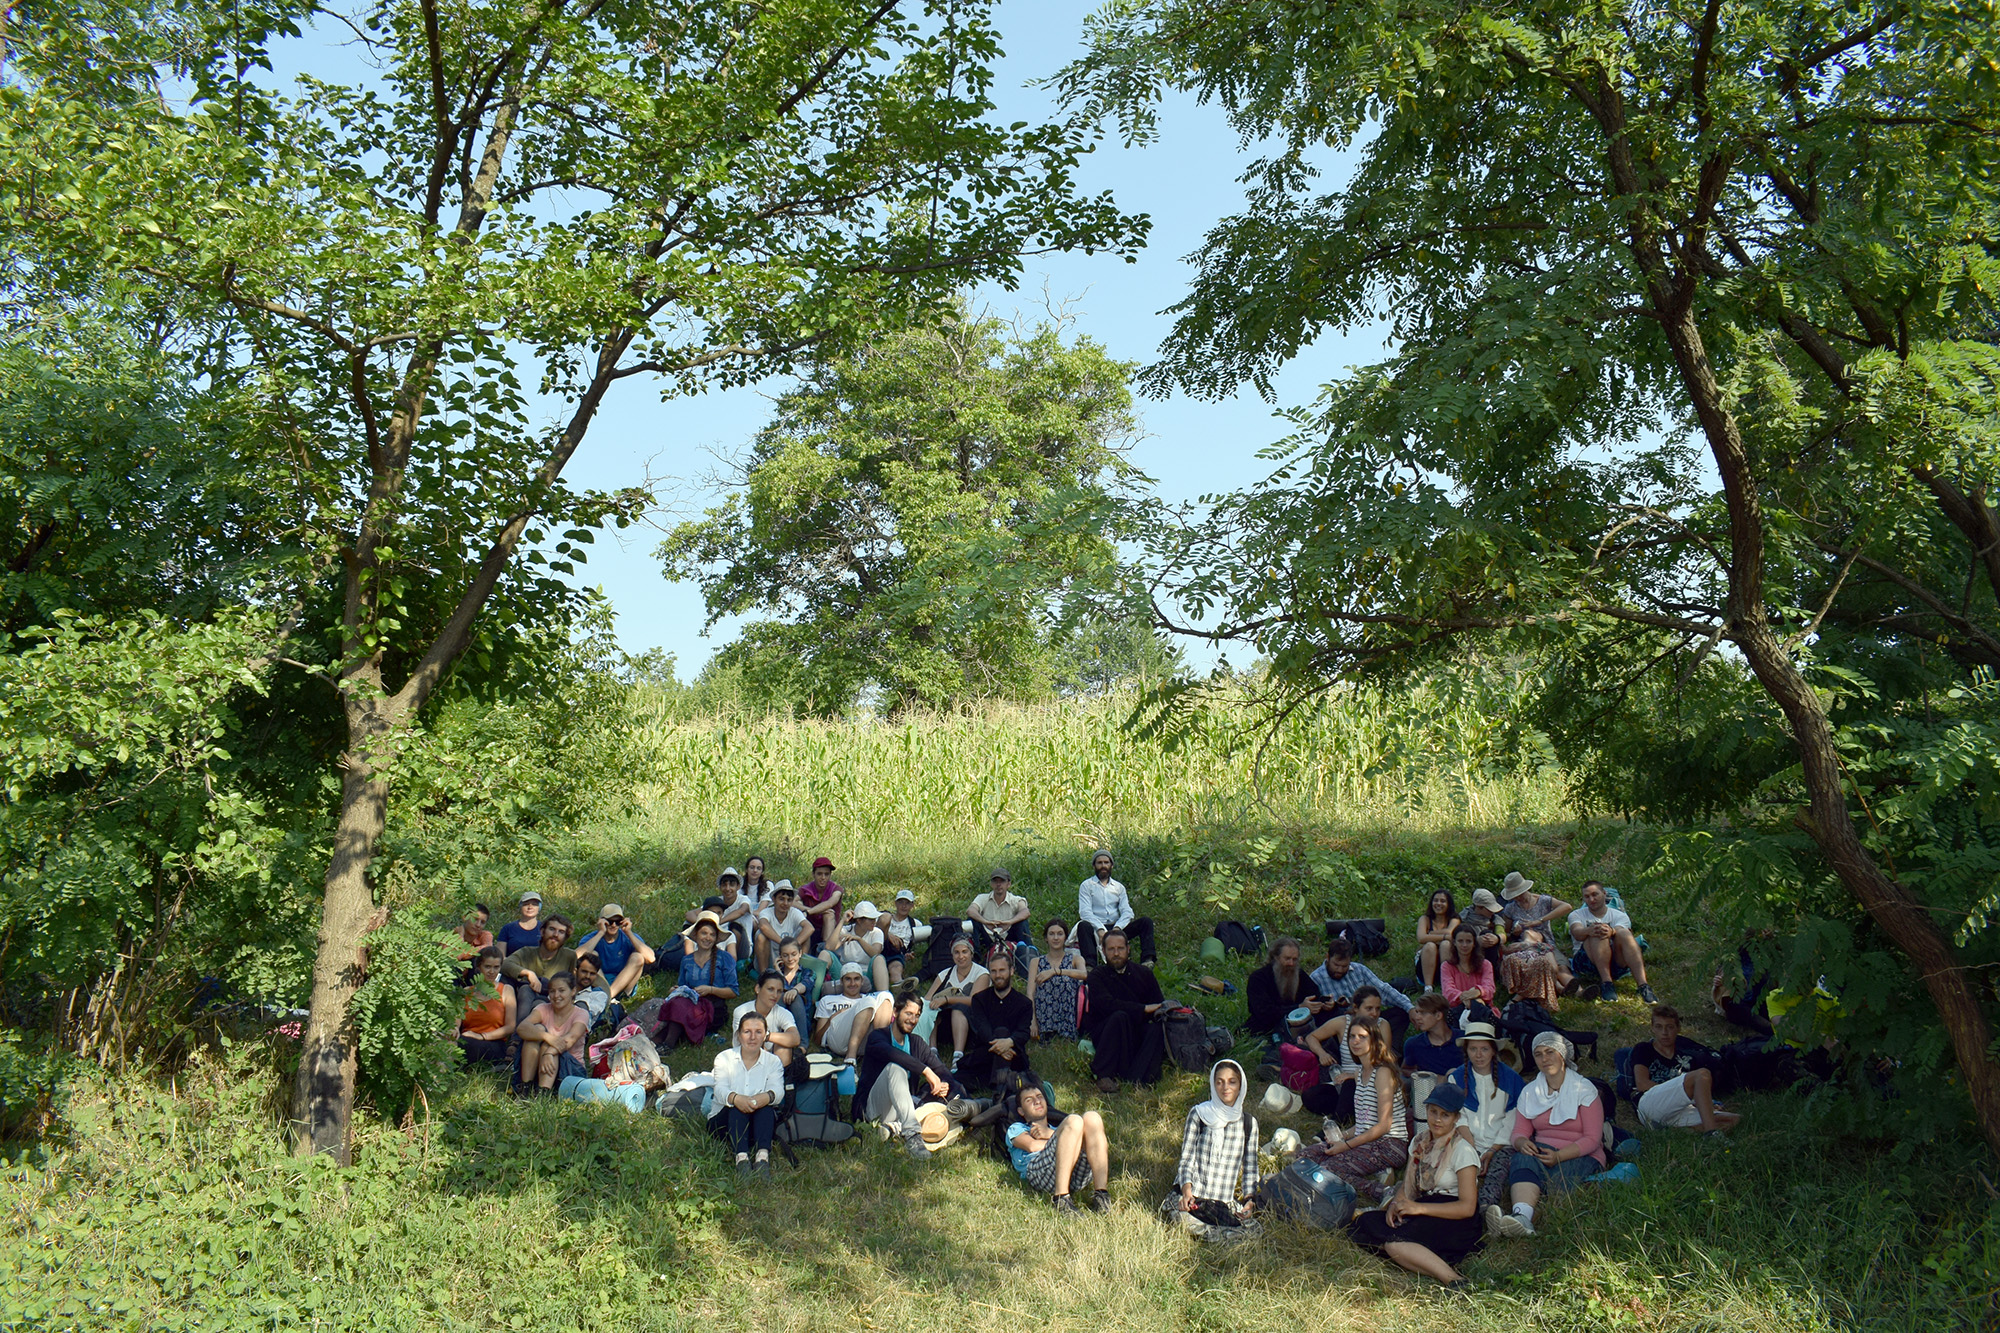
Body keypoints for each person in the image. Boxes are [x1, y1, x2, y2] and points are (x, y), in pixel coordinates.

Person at [1348, 1084, 1484, 1286]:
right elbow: (1409, 1186)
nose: (1437, 1119)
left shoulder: (1463, 1151)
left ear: (1456, 1118)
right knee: (1364, 1223)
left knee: (1395, 1244)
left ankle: (1453, 1278)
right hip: (1424, 1207)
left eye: (1445, 1115)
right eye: (1433, 1112)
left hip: (1453, 1216)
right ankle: (1423, 1255)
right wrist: (1396, 1205)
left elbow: (1467, 1207)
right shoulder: (1419, 1142)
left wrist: (1419, 1208)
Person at [1485, 1031, 1604, 1238]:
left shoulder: (1585, 1090)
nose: (1544, 1058)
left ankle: (1526, 1216)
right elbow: (1520, 1132)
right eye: (1538, 1054)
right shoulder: (1531, 1092)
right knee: (1522, 1159)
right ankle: (1521, 1217)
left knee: (1558, 1182)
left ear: (1562, 1055)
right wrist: (1522, 1143)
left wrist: (1559, 1156)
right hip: (1544, 1150)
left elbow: (1593, 1139)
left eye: (1550, 1052)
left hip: (1580, 1152)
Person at [1304, 1019, 1409, 1202]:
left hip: (1390, 1143)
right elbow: (1363, 1123)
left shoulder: (1383, 1072)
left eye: (1362, 1037)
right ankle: (1376, 1172)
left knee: (1330, 1168)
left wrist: (1344, 1146)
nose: (1355, 1041)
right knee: (1306, 1155)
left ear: (1374, 1040)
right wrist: (1341, 1137)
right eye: (1352, 1036)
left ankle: (1384, 1191)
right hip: (1367, 1140)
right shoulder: (1359, 1073)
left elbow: (1384, 1125)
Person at [858, 991, 956, 1161]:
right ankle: (912, 1135)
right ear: (895, 1013)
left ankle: (894, 1128)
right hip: (874, 1108)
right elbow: (893, 1054)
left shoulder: (917, 1043)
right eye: (908, 1014)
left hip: (905, 1108)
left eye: (917, 1015)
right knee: (895, 1069)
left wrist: (944, 1083)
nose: (913, 1020)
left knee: (935, 1099)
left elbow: (942, 1070)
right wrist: (926, 1071)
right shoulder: (877, 1037)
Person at [1171, 1060, 1260, 1234]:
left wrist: (1249, 1200)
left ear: (1241, 1085)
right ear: (1213, 1084)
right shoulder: (1199, 1114)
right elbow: (1187, 1158)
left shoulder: (1249, 1123)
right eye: (1219, 1082)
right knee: (1189, 1224)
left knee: (1253, 1233)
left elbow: (1250, 1167)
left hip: (1222, 1202)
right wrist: (1187, 1191)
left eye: (1232, 1081)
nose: (1225, 1087)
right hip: (1195, 1197)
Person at [1447, 1018, 1527, 1208]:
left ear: (1493, 1051)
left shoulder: (1511, 1079)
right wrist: (1472, 1148)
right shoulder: (1457, 1077)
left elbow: (1512, 1117)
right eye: (1473, 1049)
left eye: (1484, 1049)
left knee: (1497, 1172)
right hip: (1467, 1140)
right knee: (1455, 1169)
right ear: (1466, 1051)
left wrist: (1492, 1150)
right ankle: (1455, 1200)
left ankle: (1485, 1207)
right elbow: (1458, 1117)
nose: (1479, 1055)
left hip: (1500, 1143)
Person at [1081, 928, 1168, 1092]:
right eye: (1111, 949)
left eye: (1120, 949)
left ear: (1128, 949)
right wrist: (1142, 1009)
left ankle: (1140, 1078)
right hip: (1109, 1031)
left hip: (1137, 1031)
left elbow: (1158, 1004)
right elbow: (1106, 1005)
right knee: (1120, 1017)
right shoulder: (1097, 975)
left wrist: (1151, 1011)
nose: (1116, 954)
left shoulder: (1144, 973)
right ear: (1104, 951)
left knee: (1156, 1028)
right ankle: (1104, 1075)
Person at [1631, 1005, 1737, 1135]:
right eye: (1659, 1027)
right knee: (1702, 1074)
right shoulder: (1644, 1049)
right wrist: (1681, 1094)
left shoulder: (1687, 1057)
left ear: (1678, 1029)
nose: (1664, 1032)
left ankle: (1676, 1130)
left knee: (1734, 1119)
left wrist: (1708, 1103)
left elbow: (1696, 1090)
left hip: (1680, 1108)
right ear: (1652, 1028)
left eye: (1669, 1027)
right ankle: (1711, 1133)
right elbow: (1642, 1084)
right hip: (1651, 1104)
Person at [1009, 1082, 1112, 1213]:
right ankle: (1061, 1199)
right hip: (1039, 1174)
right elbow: (1032, 1146)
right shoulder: (1017, 1128)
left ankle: (1101, 1195)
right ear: (1021, 1110)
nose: (1037, 1101)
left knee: (1093, 1117)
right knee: (1074, 1120)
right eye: (1029, 1100)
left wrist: (1049, 1134)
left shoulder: (1060, 1130)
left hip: (1073, 1176)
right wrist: (1062, 1141)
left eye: (1040, 1096)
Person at [1300, 987, 1394, 1124]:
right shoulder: (1342, 1023)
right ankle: (1350, 1110)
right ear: (1356, 1008)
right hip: (1342, 1081)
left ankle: (1337, 1122)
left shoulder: (1382, 1025)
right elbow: (1311, 1037)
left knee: (1350, 1085)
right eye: (1369, 1009)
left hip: (1370, 1081)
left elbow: (1384, 1060)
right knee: (1310, 1096)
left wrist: (1354, 1075)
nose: (1374, 1013)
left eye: (1378, 1009)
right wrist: (1322, 1053)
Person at [712, 1009, 786, 1177]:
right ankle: (742, 1158)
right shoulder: (724, 1058)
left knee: (766, 1107)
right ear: (739, 1035)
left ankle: (762, 1158)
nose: (752, 1037)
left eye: (758, 1032)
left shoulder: (773, 1062)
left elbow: (778, 1091)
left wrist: (765, 1097)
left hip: (758, 1122)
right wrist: (736, 1099)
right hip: (725, 1123)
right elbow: (719, 1090)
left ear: (765, 1035)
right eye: (747, 1032)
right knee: (736, 1107)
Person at [1311, 937, 1413, 1047]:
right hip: (1344, 1027)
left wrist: (1410, 1008)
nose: (1340, 970)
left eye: (1344, 966)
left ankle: (1391, 1052)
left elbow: (1383, 990)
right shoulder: (1316, 978)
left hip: (1370, 1019)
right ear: (1328, 957)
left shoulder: (1360, 970)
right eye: (1336, 965)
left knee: (1401, 1012)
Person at [657, 912, 738, 1049]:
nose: (708, 938)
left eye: (712, 934)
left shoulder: (725, 958)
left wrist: (710, 990)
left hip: (713, 1008)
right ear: (696, 935)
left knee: (680, 1007)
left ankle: (668, 1044)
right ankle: (658, 1041)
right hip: (689, 1005)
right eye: (704, 933)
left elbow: (733, 991)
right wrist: (675, 990)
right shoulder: (686, 960)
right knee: (675, 1004)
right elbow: (683, 987)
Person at [1568, 880, 1658, 1003]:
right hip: (1586, 962)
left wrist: (1612, 932)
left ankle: (1643, 986)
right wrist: (1590, 930)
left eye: (1595, 894)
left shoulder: (1619, 916)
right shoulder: (1576, 915)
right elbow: (1576, 932)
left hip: (1616, 962)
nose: (1591, 899)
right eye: (1587, 896)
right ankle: (1607, 983)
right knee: (1597, 931)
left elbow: (1625, 937)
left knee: (1624, 933)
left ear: (1604, 894)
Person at [959, 950, 1034, 1091]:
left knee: (1003, 1032)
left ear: (1011, 971)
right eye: (993, 971)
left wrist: (1009, 1042)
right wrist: (1001, 1047)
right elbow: (982, 1028)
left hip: (1014, 1056)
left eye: (1002, 970)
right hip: (986, 1053)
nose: (998, 975)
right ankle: (1001, 1089)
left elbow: (1023, 1032)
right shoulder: (979, 999)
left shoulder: (1024, 1003)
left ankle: (999, 1089)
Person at [1497, 872, 1575, 1006]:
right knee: (1549, 966)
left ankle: (1577, 989)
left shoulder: (1543, 901)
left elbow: (1567, 907)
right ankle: (1561, 989)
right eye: (1515, 896)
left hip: (1547, 942)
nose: (1518, 898)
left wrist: (1540, 920)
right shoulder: (1510, 908)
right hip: (1525, 946)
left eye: (1520, 894)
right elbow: (1508, 934)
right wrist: (1515, 932)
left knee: (1561, 966)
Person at [1076, 850, 1156, 966]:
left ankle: (1147, 960)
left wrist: (1118, 928)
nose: (1103, 866)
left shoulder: (1118, 887)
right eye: (1099, 863)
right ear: (1094, 865)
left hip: (1117, 927)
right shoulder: (1087, 886)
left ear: (1111, 865)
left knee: (1145, 922)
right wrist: (1100, 929)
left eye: (1106, 862)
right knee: (1083, 926)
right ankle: (1090, 965)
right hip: (1096, 927)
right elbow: (1085, 912)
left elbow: (1127, 911)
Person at [516, 972, 591, 1094]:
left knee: (547, 1046)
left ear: (573, 991)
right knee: (537, 1032)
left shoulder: (581, 1013)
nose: (556, 995)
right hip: (541, 1065)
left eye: (561, 990)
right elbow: (522, 1028)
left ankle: (542, 1094)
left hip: (570, 1069)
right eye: (552, 991)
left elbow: (570, 1038)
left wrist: (549, 1052)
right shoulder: (543, 1008)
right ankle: (525, 1088)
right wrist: (546, 1036)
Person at [921, 935, 989, 1068]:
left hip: (971, 1024)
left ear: (971, 953)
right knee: (930, 1009)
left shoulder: (981, 973)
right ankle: (932, 1051)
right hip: (946, 1024)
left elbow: (975, 1001)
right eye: (956, 952)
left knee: (958, 1009)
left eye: (964, 952)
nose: (960, 956)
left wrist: (947, 999)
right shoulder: (944, 974)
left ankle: (957, 1056)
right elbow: (927, 999)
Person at [1245, 936, 1325, 1042]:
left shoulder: (1299, 974)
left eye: (1295, 959)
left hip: (1301, 1025)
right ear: (1276, 957)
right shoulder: (1258, 978)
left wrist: (1324, 1003)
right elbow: (1263, 1011)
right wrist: (1299, 1007)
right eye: (1287, 959)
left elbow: (1314, 994)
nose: (1291, 964)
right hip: (1268, 1027)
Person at [814, 962, 894, 1066]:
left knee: (885, 996)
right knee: (868, 1001)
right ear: (841, 981)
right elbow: (817, 1040)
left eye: (856, 979)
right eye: (848, 979)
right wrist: (831, 1019)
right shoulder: (827, 1000)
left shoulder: (867, 998)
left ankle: (880, 1048)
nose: (852, 984)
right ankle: (850, 1058)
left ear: (862, 982)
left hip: (864, 1041)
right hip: (838, 1039)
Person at [576, 903, 655, 1000]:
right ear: (601, 921)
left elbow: (651, 958)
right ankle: (606, 995)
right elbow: (575, 957)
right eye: (609, 921)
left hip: (624, 984)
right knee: (591, 955)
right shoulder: (591, 938)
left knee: (638, 957)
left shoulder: (628, 937)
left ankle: (608, 997)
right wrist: (601, 933)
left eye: (617, 922)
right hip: (598, 983)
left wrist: (628, 932)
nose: (613, 925)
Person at [501, 915, 576, 1017]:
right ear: (542, 931)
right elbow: (505, 964)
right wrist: (528, 973)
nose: (555, 935)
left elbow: (571, 983)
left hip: (550, 1001)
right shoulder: (527, 952)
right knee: (525, 990)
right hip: (521, 999)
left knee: (538, 1005)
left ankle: (520, 1030)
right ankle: (518, 1031)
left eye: (561, 932)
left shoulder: (569, 956)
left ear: (565, 937)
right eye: (552, 929)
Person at [1027, 918, 1087, 1040]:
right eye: (1051, 934)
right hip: (1044, 1019)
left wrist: (1056, 972)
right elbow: (1030, 993)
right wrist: (1032, 1021)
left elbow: (1084, 974)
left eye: (1060, 934)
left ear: (1065, 938)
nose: (1056, 938)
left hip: (1069, 1019)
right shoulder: (1036, 962)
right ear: (1046, 938)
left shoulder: (1076, 959)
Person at [457, 946, 517, 1066]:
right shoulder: (466, 991)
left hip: (493, 1043)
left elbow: (510, 1027)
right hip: (466, 1038)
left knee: (463, 1044)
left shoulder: (506, 990)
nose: (492, 972)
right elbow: (455, 1022)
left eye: (496, 967)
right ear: (479, 968)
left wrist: (481, 1036)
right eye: (487, 967)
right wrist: (453, 1030)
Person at [733, 970, 804, 1069]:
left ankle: (781, 1081)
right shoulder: (741, 1011)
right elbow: (744, 1042)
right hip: (745, 1057)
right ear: (758, 989)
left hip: (773, 1059)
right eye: (770, 989)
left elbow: (795, 1038)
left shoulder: (782, 1013)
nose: (775, 995)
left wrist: (767, 1036)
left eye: (779, 991)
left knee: (783, 1048)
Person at [820, 900, 889, 994]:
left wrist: (859, 940)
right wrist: (842, 921)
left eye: (875, 919)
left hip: (866, 974)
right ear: (859, 920)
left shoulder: (876, 932)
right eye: (871, 919)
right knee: (824, 954)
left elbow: (875, 953)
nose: (874, 922)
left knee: (879, 959)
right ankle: (813, 996)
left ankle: (884, 997)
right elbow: (828, 947)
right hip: (845, 972)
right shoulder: (846, 931)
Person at [968, 869, 1031, 965]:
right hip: (987, 937)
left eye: (1002, 881)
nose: (998, 884)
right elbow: (970, 910)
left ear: (1008, 884)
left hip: (1008, 936)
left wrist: (1010, 922)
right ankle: (975, 957)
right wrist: (985, 922)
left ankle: (1028, 954)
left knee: (1022, 922)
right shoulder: (982, 898)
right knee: (971, 922)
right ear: (991, 884)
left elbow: (1025, 912)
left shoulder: (1016, 900)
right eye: (995, 881)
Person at [753, 882, 814, 972]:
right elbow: (763, 925)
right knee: (761, 935)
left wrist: (793, 946)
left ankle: (797, 971)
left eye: (789, 900)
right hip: (770, 956)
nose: (785, 903)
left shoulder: (794, 912)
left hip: (789, 957)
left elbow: (810, 928)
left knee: (805, 934)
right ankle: (764, 974)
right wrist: (783, 944)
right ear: (774, 899)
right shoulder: (766, 912)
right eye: (781, 899)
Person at [1402, 995, 1461, 1080]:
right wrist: (1426, 1078)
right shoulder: (1413, 1044)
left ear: (1438, 1015)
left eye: (1423, 1013)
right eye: (1417, 1012)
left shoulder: (1464, 1039)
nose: (1417, 1017)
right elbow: (1406, 1069)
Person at [1441, 923, 1497, 1013]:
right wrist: (1466, 997)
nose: (1464, 945)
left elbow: (1489, 988)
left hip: (1483, 1009)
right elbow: (1447, 992)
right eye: (1460, 941)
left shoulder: (1485, 964)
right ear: (1454, 942)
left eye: (1468, 941)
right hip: (1457, 1010)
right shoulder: (1447, 966)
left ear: (1474, 943)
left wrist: (1479, 992)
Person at [1414, 890, 1459, 995]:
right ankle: (1428, 988)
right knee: (1430, 946)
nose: (1438, 904)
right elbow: (1420, 938)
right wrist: (1444, 936)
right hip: (1425, 967)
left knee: (1445, 944)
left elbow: (1450, 932)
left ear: (1448, 904)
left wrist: (1429, 935)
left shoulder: (1454, 919)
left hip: (1447, 960)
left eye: (1443, 901)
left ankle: (1447, 984)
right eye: (1435, 900)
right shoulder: (1424, 919)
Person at [881, 889, 926, 986]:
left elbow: (916, 947)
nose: (904, 906)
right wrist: (888, 935)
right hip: (880, 946)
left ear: (912, 905)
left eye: (907, 903)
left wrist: (909, 954)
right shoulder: (885, 918)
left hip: (897, 952)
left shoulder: (916, 924)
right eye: (900, 902)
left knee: (896, 968)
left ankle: (899, 985)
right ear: (895, 903)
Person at [799, 856, 845, 949]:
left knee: (829, 914)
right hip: (810, 928)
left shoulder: (836, 889)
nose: (823, 878)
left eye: (826, 874)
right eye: (819, 874)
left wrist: (809, 912)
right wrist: (808, 909)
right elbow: (792, 902)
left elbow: (830, 903)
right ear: (813, 874)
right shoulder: (805, 889)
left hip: (830, 929)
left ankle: (825, 950)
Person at [774, 939, 815, 1035]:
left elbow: (806, 984)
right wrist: (778, 971)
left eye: (793, 954)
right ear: (780, 957)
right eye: (785, 955)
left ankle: (802, 1043)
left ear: (800, 953)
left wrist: (795, 990)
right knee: (780, 994)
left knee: (795, 997)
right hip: (778, 1018)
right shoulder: (775, 974)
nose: (790, 959)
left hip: (800, 1021)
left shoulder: (807, 972)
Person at [569, 951, 617, 1029]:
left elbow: (588, 1015)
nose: (587, 976)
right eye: (584, 972)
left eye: (592, 974)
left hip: (577, 1031)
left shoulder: (599, 995)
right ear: (575, 971)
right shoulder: (564, 989)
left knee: (581, 1006)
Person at [1461, 888, 1506, 965]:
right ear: (1479, 907)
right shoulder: (1463, 918)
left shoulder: (1495, 919)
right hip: (1469, 952)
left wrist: (1496, 938)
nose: (1493, 912)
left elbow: (1502, 934)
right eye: (1489, 909)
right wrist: (1475, 940)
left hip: (1490, 954)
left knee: (1487, 934)